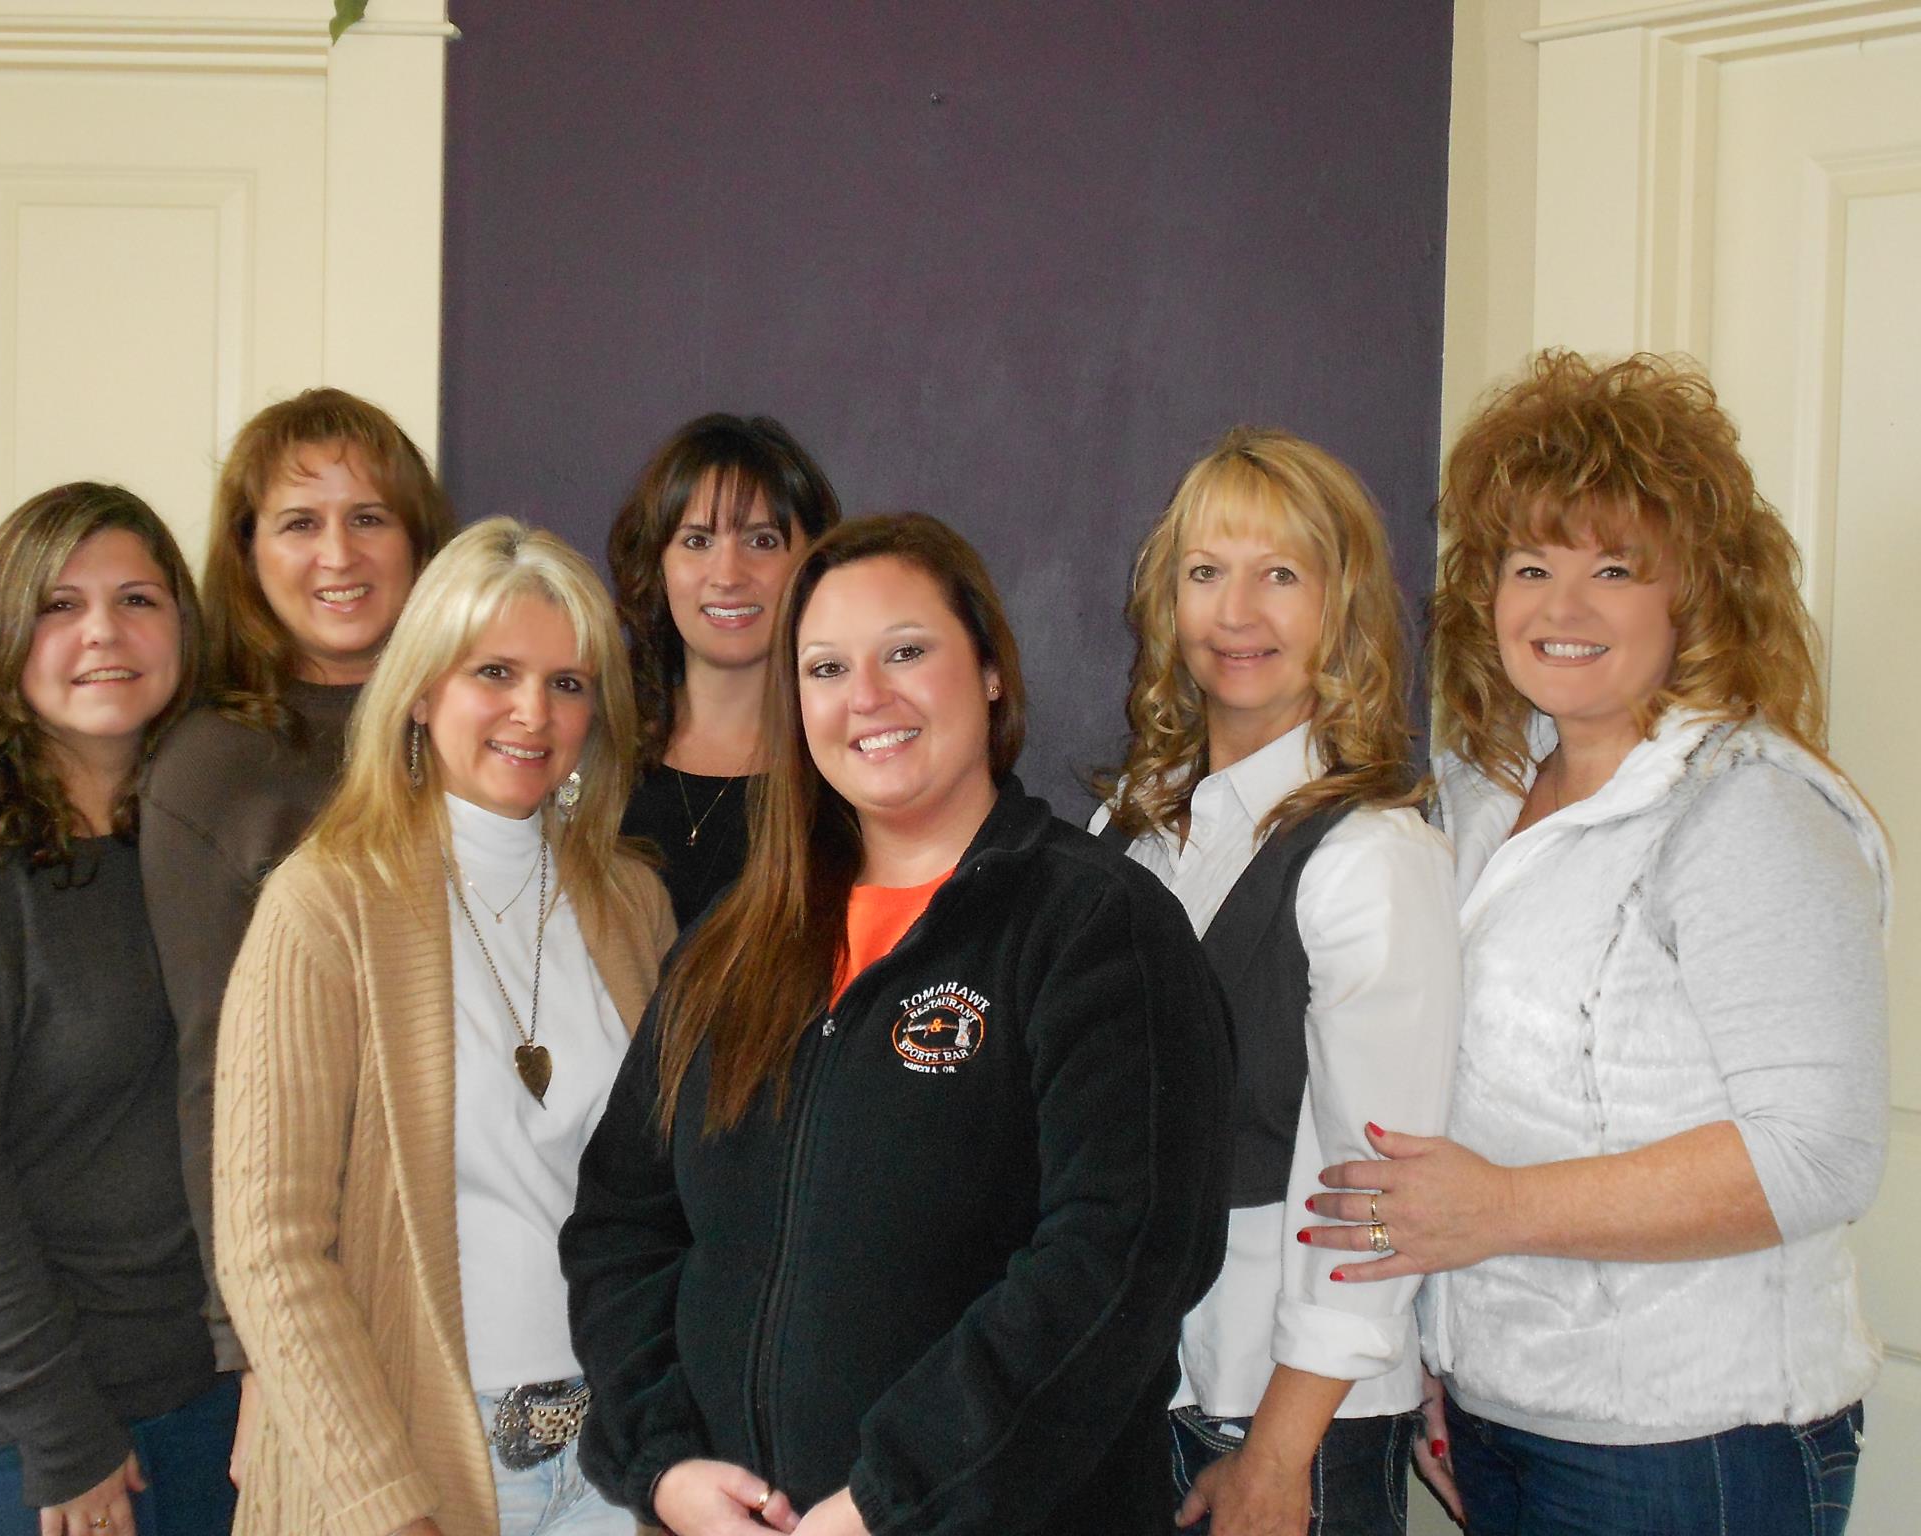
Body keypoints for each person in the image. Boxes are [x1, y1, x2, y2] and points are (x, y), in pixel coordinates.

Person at [1302, 351, 1890, 1535]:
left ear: (1697, 595)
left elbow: (1817, 1154)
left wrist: (1498, 1211)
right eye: (1530, 566)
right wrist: (1438, 1354)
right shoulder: (1478, 791)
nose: (1558, 609)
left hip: (1693, 1449)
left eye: (1611, 570)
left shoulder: (1747, 810)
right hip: (1500, 1414)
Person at [562, 513, 1237, 1536]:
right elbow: (624, 1224)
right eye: (826, 669)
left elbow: (1121, 1259)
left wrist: (891, 1499)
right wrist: (663, 1465)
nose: (866, 698)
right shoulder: (732, 943)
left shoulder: (1096, 926)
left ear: (991, 671)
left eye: (906, 652)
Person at [212, 518, 676, 1536]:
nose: (532, 712)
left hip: (610, 1470)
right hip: (411, 1466)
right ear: (421, 690)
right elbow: (270, 1250)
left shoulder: (631, 904)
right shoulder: (324, 906)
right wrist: (388, 1509)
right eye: (494, 672)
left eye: (567, 682)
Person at [1095, 429, 1458, 1536]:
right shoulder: (1132, 829)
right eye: (1206, 572)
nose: (1236, 612)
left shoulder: (1370, 858)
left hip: (1288, 1424)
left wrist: (1276, 1452)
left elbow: (1376, 1197)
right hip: (1137, 1399)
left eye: (1280, 575)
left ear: (1342, 608)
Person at [0, 483, 232, 1536]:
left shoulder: (191, 843)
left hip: (186, 1387)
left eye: (137, 600)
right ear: (2, 638)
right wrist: (59, 1428)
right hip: (4, 1417)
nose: (103, 633)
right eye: (58, 606)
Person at [139, 387, 455, 1467]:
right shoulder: (211, 769)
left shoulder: (486, 724)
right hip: (326, 1275)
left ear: (419, 541)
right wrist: (253, 1348)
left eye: (369, 517)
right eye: (298, 523)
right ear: (247, 554)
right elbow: (213, 1073)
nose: (338, 555)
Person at [608, 413, 840, 926]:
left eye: (762, 541)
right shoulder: (598, 751)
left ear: (812, 564)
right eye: (697, 541)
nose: (729, 575)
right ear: (657, 565)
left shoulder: (850, 764)